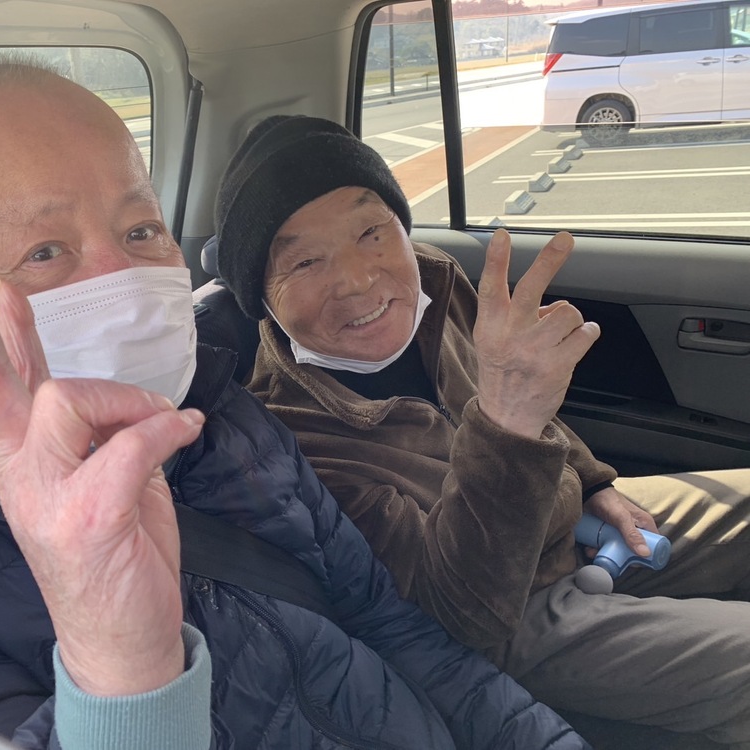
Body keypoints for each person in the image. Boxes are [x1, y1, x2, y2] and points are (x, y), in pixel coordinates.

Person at [0, 59, 591, 749]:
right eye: (45, 252)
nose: (121, 281)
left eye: (142, 232)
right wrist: (123, 676)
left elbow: (400, 632)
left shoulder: (230, 425)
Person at [213, 114, 750, 747]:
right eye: (305, 261)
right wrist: (507, 422)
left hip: (569, 517)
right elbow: (458, 615)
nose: (358, 279)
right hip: (508, 617)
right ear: (261, 295)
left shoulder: (437, 283)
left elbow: (524, 390)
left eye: (372, 232)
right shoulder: (289, 442)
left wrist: (591, 480)